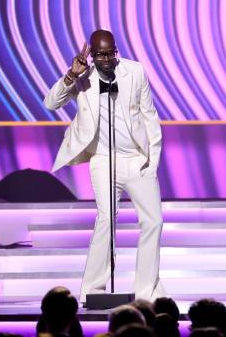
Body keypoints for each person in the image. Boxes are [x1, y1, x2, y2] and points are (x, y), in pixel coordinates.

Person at [44, 29, 165, 303]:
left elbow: (150, 117)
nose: (107, 59)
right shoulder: (82, 78)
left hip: (136, 159)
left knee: (153, 221)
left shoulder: (135, 72)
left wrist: (152, 162)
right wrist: (71, 75)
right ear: (93, 55)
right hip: (102, 159)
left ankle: (146, 292)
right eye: (101, 54)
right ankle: (93, 290)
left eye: (111, 52)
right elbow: (50, 103)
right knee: (106, 220)